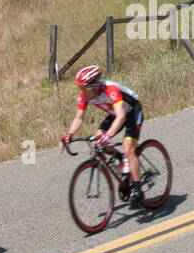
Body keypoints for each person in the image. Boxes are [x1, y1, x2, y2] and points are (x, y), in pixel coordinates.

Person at [61, 66, 146, 207]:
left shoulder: (110, 90)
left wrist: (109, 135)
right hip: (114, 115)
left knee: (128, 147)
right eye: (80, 88)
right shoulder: (84, 95)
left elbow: (121, 116)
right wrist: (69, 135)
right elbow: (79, 118)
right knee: (97, 141)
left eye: (84, 88)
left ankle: (138, 189)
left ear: (94, 86)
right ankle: (121, 159)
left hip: (132, 111)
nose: (81, 92)